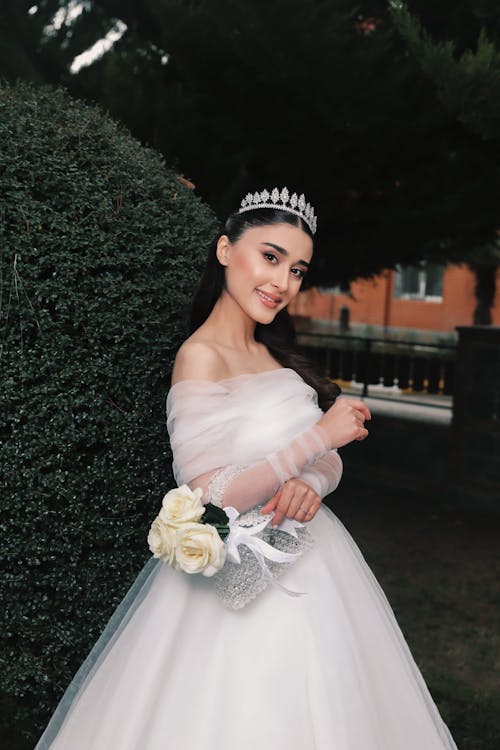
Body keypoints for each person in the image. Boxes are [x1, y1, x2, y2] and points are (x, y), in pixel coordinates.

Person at [36, 187, 458, 749]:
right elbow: (207, 493)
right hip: (231, 579)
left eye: (298, 269)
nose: (282, 283)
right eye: (271, 256)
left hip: (316, 563)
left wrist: (311, 481)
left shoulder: (274, 355)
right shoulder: (199, 357)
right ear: (224, 250)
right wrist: (316, 438)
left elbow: (326, 461)